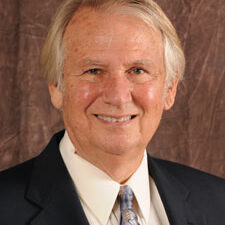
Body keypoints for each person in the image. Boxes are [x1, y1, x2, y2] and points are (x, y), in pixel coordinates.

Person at [1, 0, 225, 224]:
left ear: (170, 89)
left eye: (138, 70)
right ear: (56, 86)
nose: (118, 96)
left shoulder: (218, 203)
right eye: (94, 70)